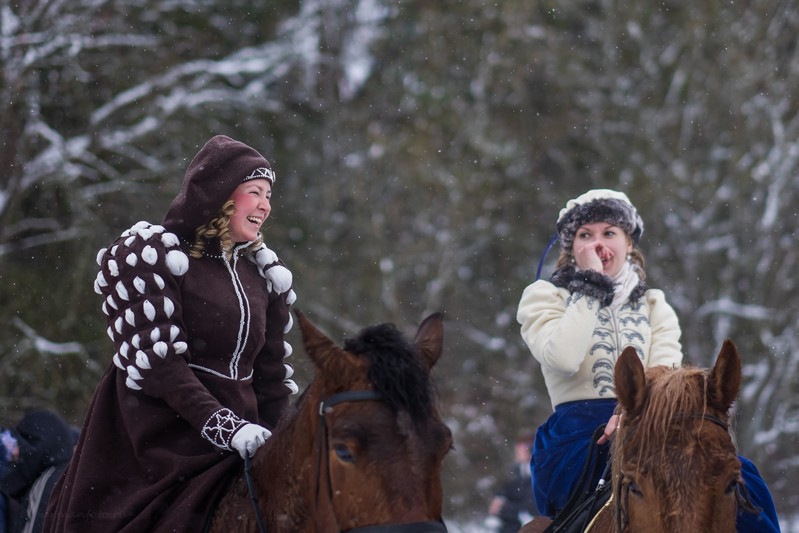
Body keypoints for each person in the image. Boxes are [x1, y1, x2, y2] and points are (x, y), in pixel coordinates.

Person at [44, 135, 298, 532]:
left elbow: (270, 381)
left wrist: (287, 446)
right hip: (159, 444)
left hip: (242, 446)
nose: (265, 205)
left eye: (268, 194)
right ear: (221, 195)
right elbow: (160, 367)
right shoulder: (152, 255)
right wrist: (225, 427)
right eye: (254, 192)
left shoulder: (262, 275)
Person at [516, 189, 780, 532]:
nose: (599, 244)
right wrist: (591, 287)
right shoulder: (544, 297)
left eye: (609, 233)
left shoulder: (654, 304)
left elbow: (664, 375)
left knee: (742, 479)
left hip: (655, 424)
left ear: (629, 244)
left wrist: (628, 415)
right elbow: (563, 358)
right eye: (586, 235)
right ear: (572, 248)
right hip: (578, 435)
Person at [486, 433, 537, 533]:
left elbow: (531, 505)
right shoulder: (519, 472)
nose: (517, 454)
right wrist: (499, 498)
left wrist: (505, 506)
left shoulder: (537, 474)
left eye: (520, 451)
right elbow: (511, 490)